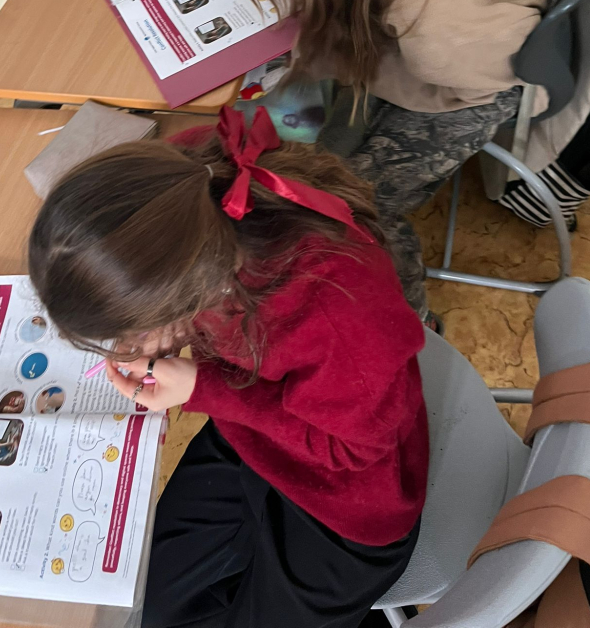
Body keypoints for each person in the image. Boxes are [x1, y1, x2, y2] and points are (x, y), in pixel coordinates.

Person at [28, 106, 428, 628]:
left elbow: (352, 451)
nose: (130, 345)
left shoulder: (336, 314)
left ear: (198, 287)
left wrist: (202, 388)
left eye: (139, 328)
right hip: (253, 439)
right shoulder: (193, 184)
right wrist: (179, 339)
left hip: (346, 500)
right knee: (150, 608)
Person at [208, 0, 556, 330]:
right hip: (438, 30)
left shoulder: (439, 29)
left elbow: (459, 81)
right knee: (288, 129)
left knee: (354, 207)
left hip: (471, 87)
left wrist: (344, 96)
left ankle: (415, 324)